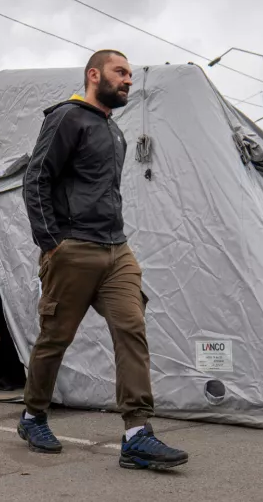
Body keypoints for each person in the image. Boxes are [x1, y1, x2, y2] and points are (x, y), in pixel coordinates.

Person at [18, 50, 189, 470]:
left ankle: (136, 434)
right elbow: (36, 178)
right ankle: (33, 414)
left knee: (132, 329)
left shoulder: (115, 132)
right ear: (94, 75)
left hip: (117, 251)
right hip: (73, 248)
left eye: (131, 74)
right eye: (120, 72)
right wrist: (52, 242)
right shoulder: (66, 118)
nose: (128, 80)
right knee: (56, 337)